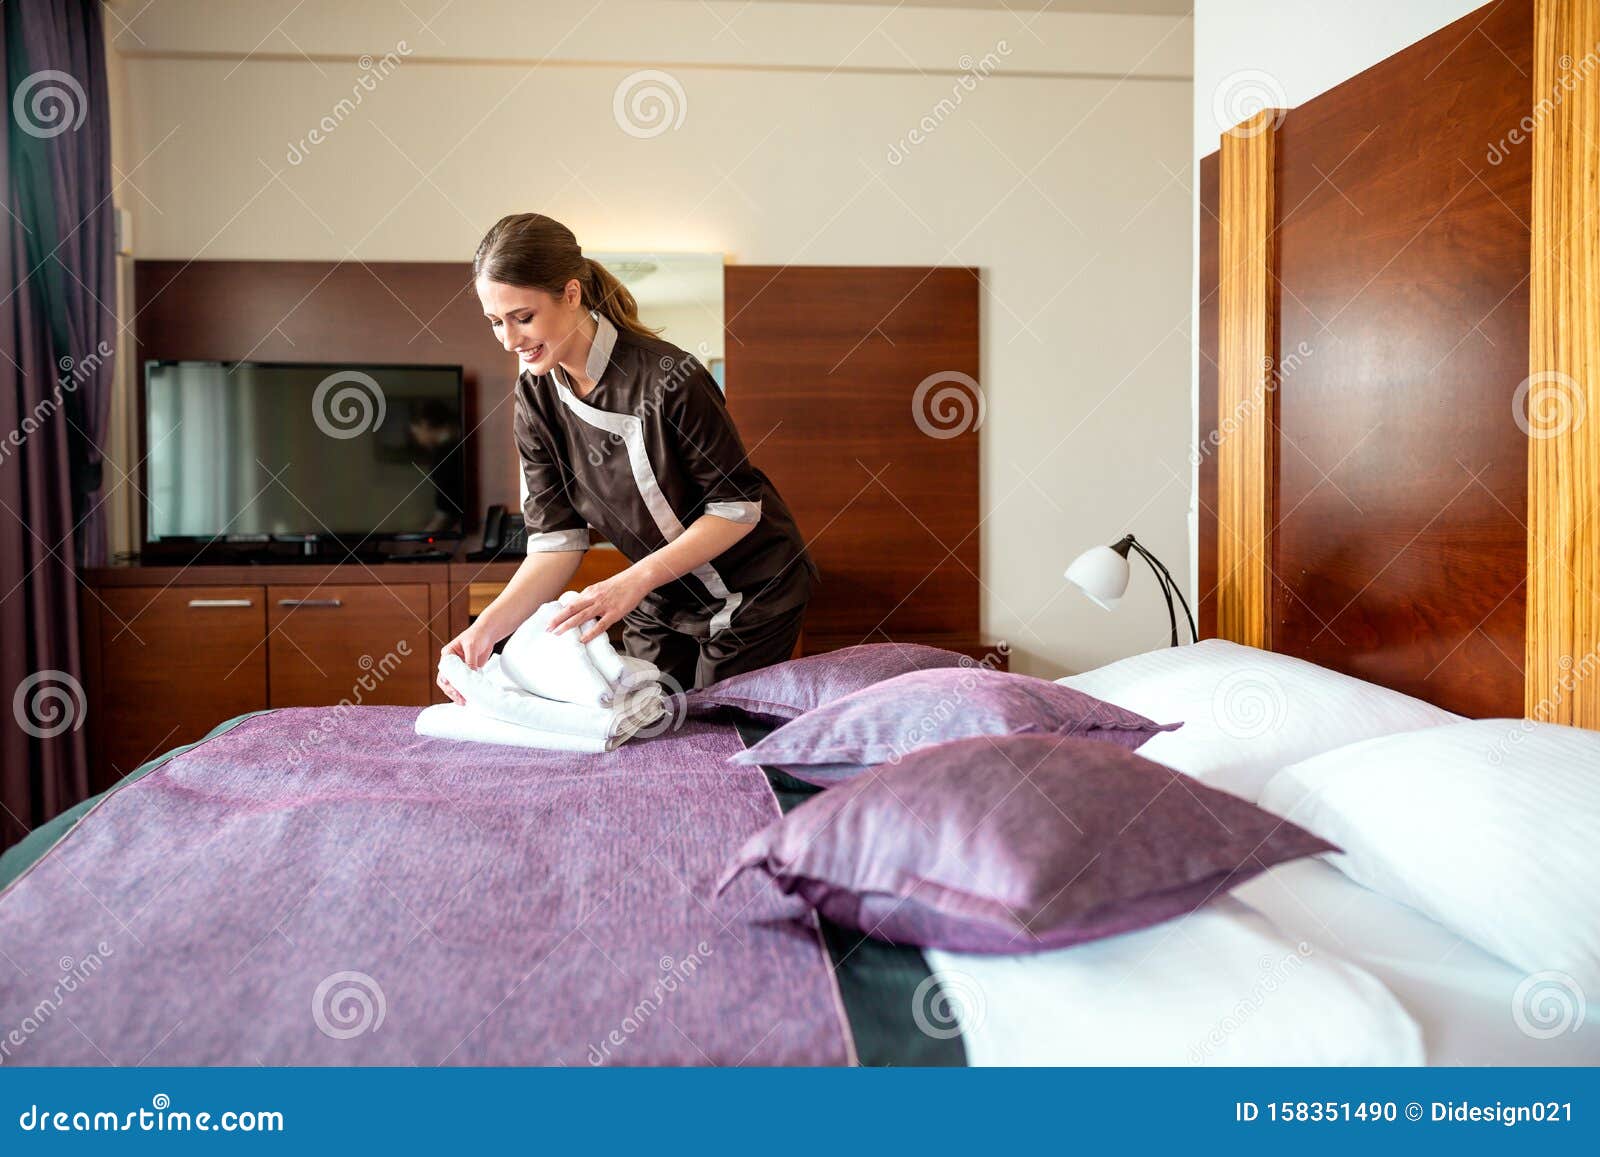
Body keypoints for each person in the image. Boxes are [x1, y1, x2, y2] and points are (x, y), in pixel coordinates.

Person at [437, 213, 816, 701]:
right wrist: (485, 631)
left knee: (717, 733)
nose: (510, 340)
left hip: (752, 591)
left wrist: (630, 582)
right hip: (660, 596)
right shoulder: (535, 397)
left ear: (571, 294)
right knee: (636, 721)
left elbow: (737, 509)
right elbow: (557, 542)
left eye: (523, 317)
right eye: (496, 322)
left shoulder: (669, 376)